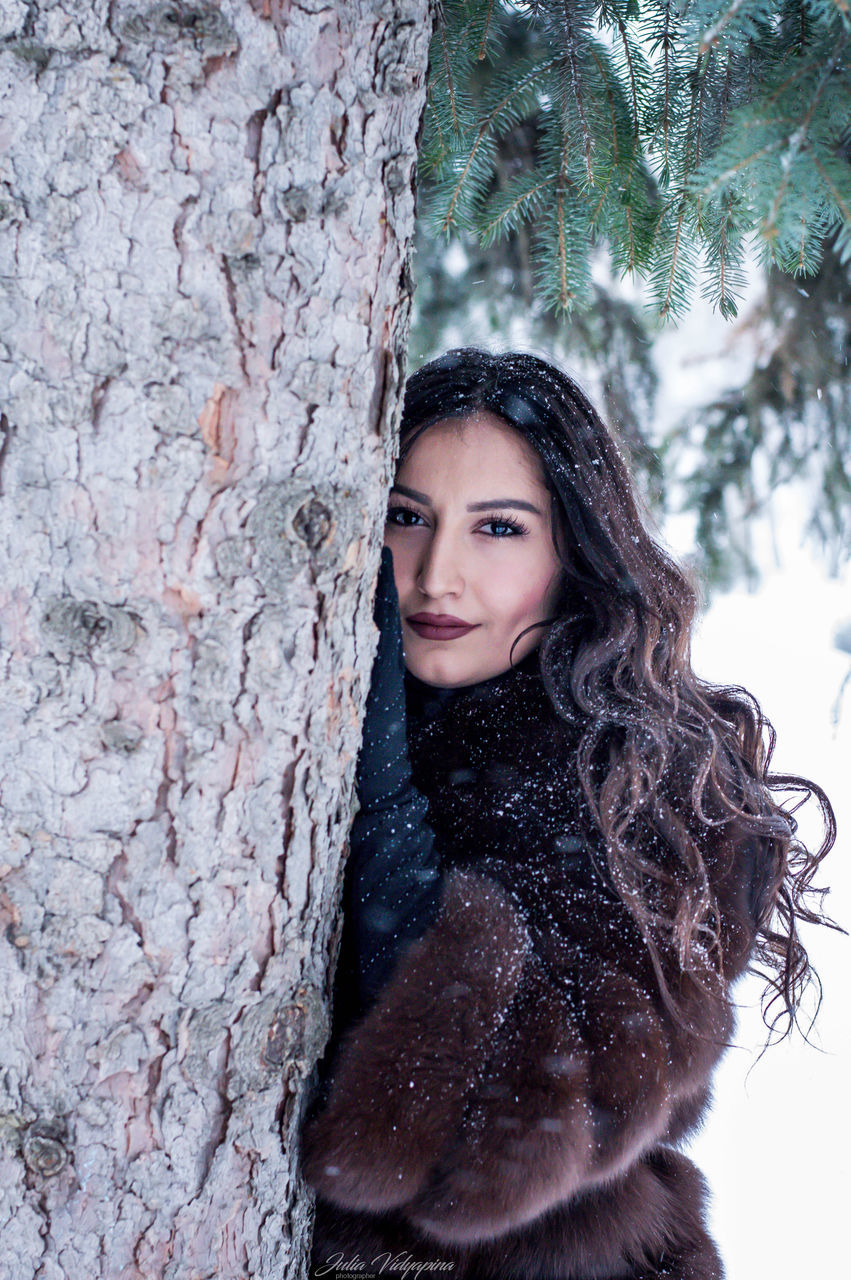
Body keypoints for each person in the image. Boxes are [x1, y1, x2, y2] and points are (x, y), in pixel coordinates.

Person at [299, 349, 837, 1279]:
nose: (435, 576)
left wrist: (382, 805)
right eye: (406, 517)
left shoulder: (656, 781)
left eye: (498, 527)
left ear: (573, 553)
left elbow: (510, 1123)